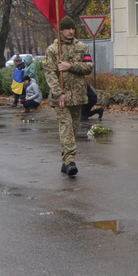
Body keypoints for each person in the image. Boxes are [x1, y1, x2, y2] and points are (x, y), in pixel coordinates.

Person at [45, 17, 94, 177]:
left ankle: (65, 161)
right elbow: (50, 73)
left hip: (78, 96)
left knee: (72, 130)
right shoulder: (53, 49)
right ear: (61, 31)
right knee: (66, 127)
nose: (71, 31)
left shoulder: (82, 47)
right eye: (67, 29)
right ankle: (71, 161)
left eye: (72, 29)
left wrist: (70, 66)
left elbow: (89, 67)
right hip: (61, 97)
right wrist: (58, 93)